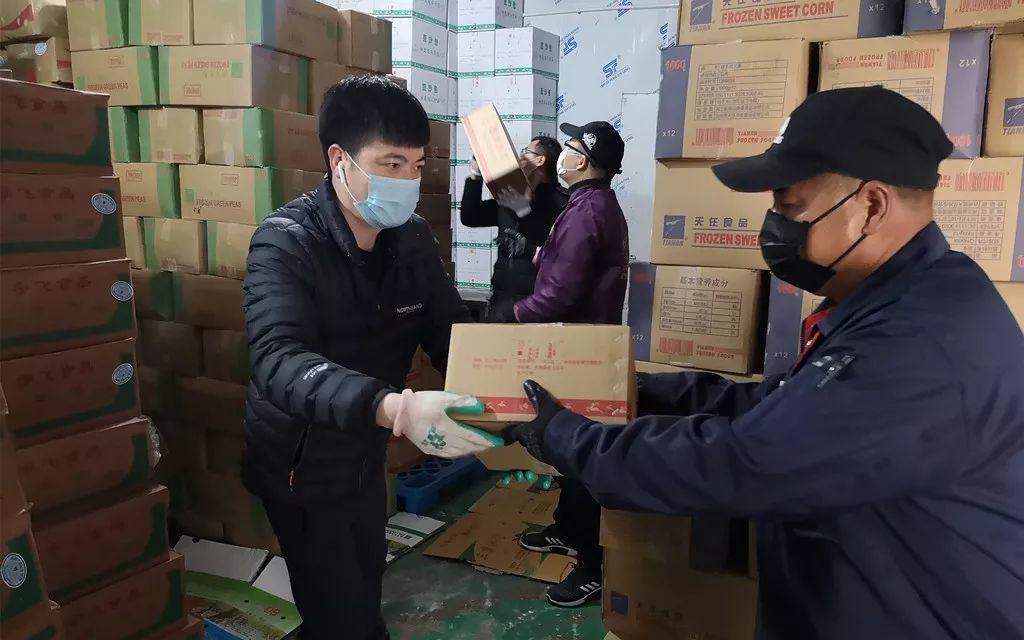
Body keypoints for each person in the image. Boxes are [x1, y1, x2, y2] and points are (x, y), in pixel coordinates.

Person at [503, 86, 1024, 638]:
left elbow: (743, 463)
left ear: (871, 206)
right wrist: (627, 389)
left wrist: (567, 437)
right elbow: (779, 406)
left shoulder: (919, 343)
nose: (774, 223)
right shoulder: (898, 299)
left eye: (789, 206)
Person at [241, 75, 496, 640]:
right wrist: (393, 408)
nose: (407, 181)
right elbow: (278, 360)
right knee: (340, 608)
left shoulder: (411, 240)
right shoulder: (285, 242)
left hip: (364, 448)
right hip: (300, 461)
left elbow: (450, 331)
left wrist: (514, 383)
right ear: (340, 160)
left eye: (417, 165)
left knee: (364, 576)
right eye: (391, 163)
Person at [493, 121, 629, 608]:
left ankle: (592, 566)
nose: (563, 154)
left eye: (569, 148)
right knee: (571, 450)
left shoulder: (586, 211)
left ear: (582, 160)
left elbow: (558, 296)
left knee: (581, 452)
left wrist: (512, 314)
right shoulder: (588, 204)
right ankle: (568, 529)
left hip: (579, 346)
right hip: (582, 339)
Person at [460, 137, 568, 320]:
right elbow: (471, 217)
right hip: (501, 301)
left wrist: (523, 212)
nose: (520, 157)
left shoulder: (562, 202)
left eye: (526, 152)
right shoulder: (512, 195)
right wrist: (475, 175)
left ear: (540, 160)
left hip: (537, 305)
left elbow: (557, 252)